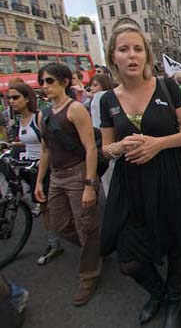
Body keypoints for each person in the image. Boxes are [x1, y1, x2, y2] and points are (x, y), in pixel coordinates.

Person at [99, 23, 181, 328]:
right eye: (124, 49)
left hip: (171, 177)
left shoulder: (167, 87)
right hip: (130, 185)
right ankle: (158, 293)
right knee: (129, 261)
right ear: (113, 56)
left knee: (175, 247)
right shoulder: (107, 100)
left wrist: (158, 144)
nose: (132, 55)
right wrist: (118, 147)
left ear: (146, 55)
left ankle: (174, 299)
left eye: (138, 49)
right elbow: (105, 149)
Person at [33, 63, 102, 307]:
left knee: (85, 226)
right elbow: (45, 150)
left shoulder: (75, 110)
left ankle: (89, 275)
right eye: (42, 82)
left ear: (64, 82)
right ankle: (94, 247)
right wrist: (40, 181)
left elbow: (90, 148)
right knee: (58, 224)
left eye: (50, 81)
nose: (45, 86)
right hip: (56, 176)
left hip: (78, 174)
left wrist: (89, 185)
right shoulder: (43, 115)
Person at [7, 83, 64, 265]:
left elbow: (48, 144)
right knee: (44, 207)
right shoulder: (19, 119)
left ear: (26, 98)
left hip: (45, 168)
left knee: (49, 207)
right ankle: (54, 242)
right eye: (9, 98)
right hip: (30, 167)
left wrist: (42, 163)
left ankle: (57, 243)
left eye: (15, 97)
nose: (11, 101)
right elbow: (29, 142)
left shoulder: (38, 117)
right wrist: (11, 145)